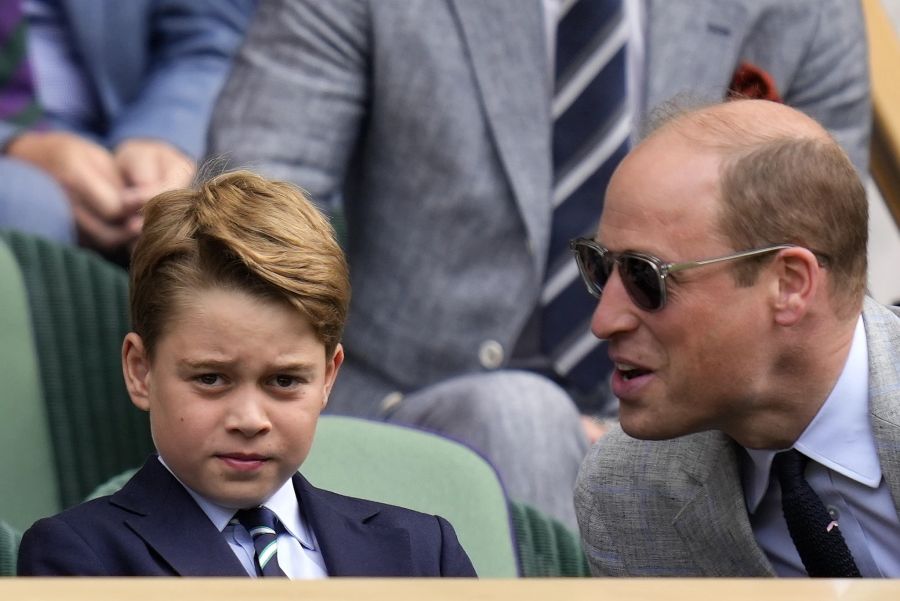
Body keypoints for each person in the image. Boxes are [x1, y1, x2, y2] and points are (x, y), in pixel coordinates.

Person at [207, 0, 870, 531]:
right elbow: (241, 230)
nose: (608, 313)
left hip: (694, 424)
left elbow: (817, 285)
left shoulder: (805, 8)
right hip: (409, 399)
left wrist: (635, 438)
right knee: (521, 419)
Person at [16, 170, 476, 577]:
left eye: (284, 381)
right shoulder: (81, 558)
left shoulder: (421, 553)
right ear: (141, 371)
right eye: (211, 379)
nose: (250, 419)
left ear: (328, 378)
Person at [572, 99, 900, 577]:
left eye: (646, 278)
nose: (604, 321)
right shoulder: (626, 490)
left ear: (789, 285)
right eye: (600, 268)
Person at [0, 0, 255, 256]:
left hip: (133, 126)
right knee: (27, 203)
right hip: (16, 148)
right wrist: (15, 146)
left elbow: (205, 38)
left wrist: (160, 134)